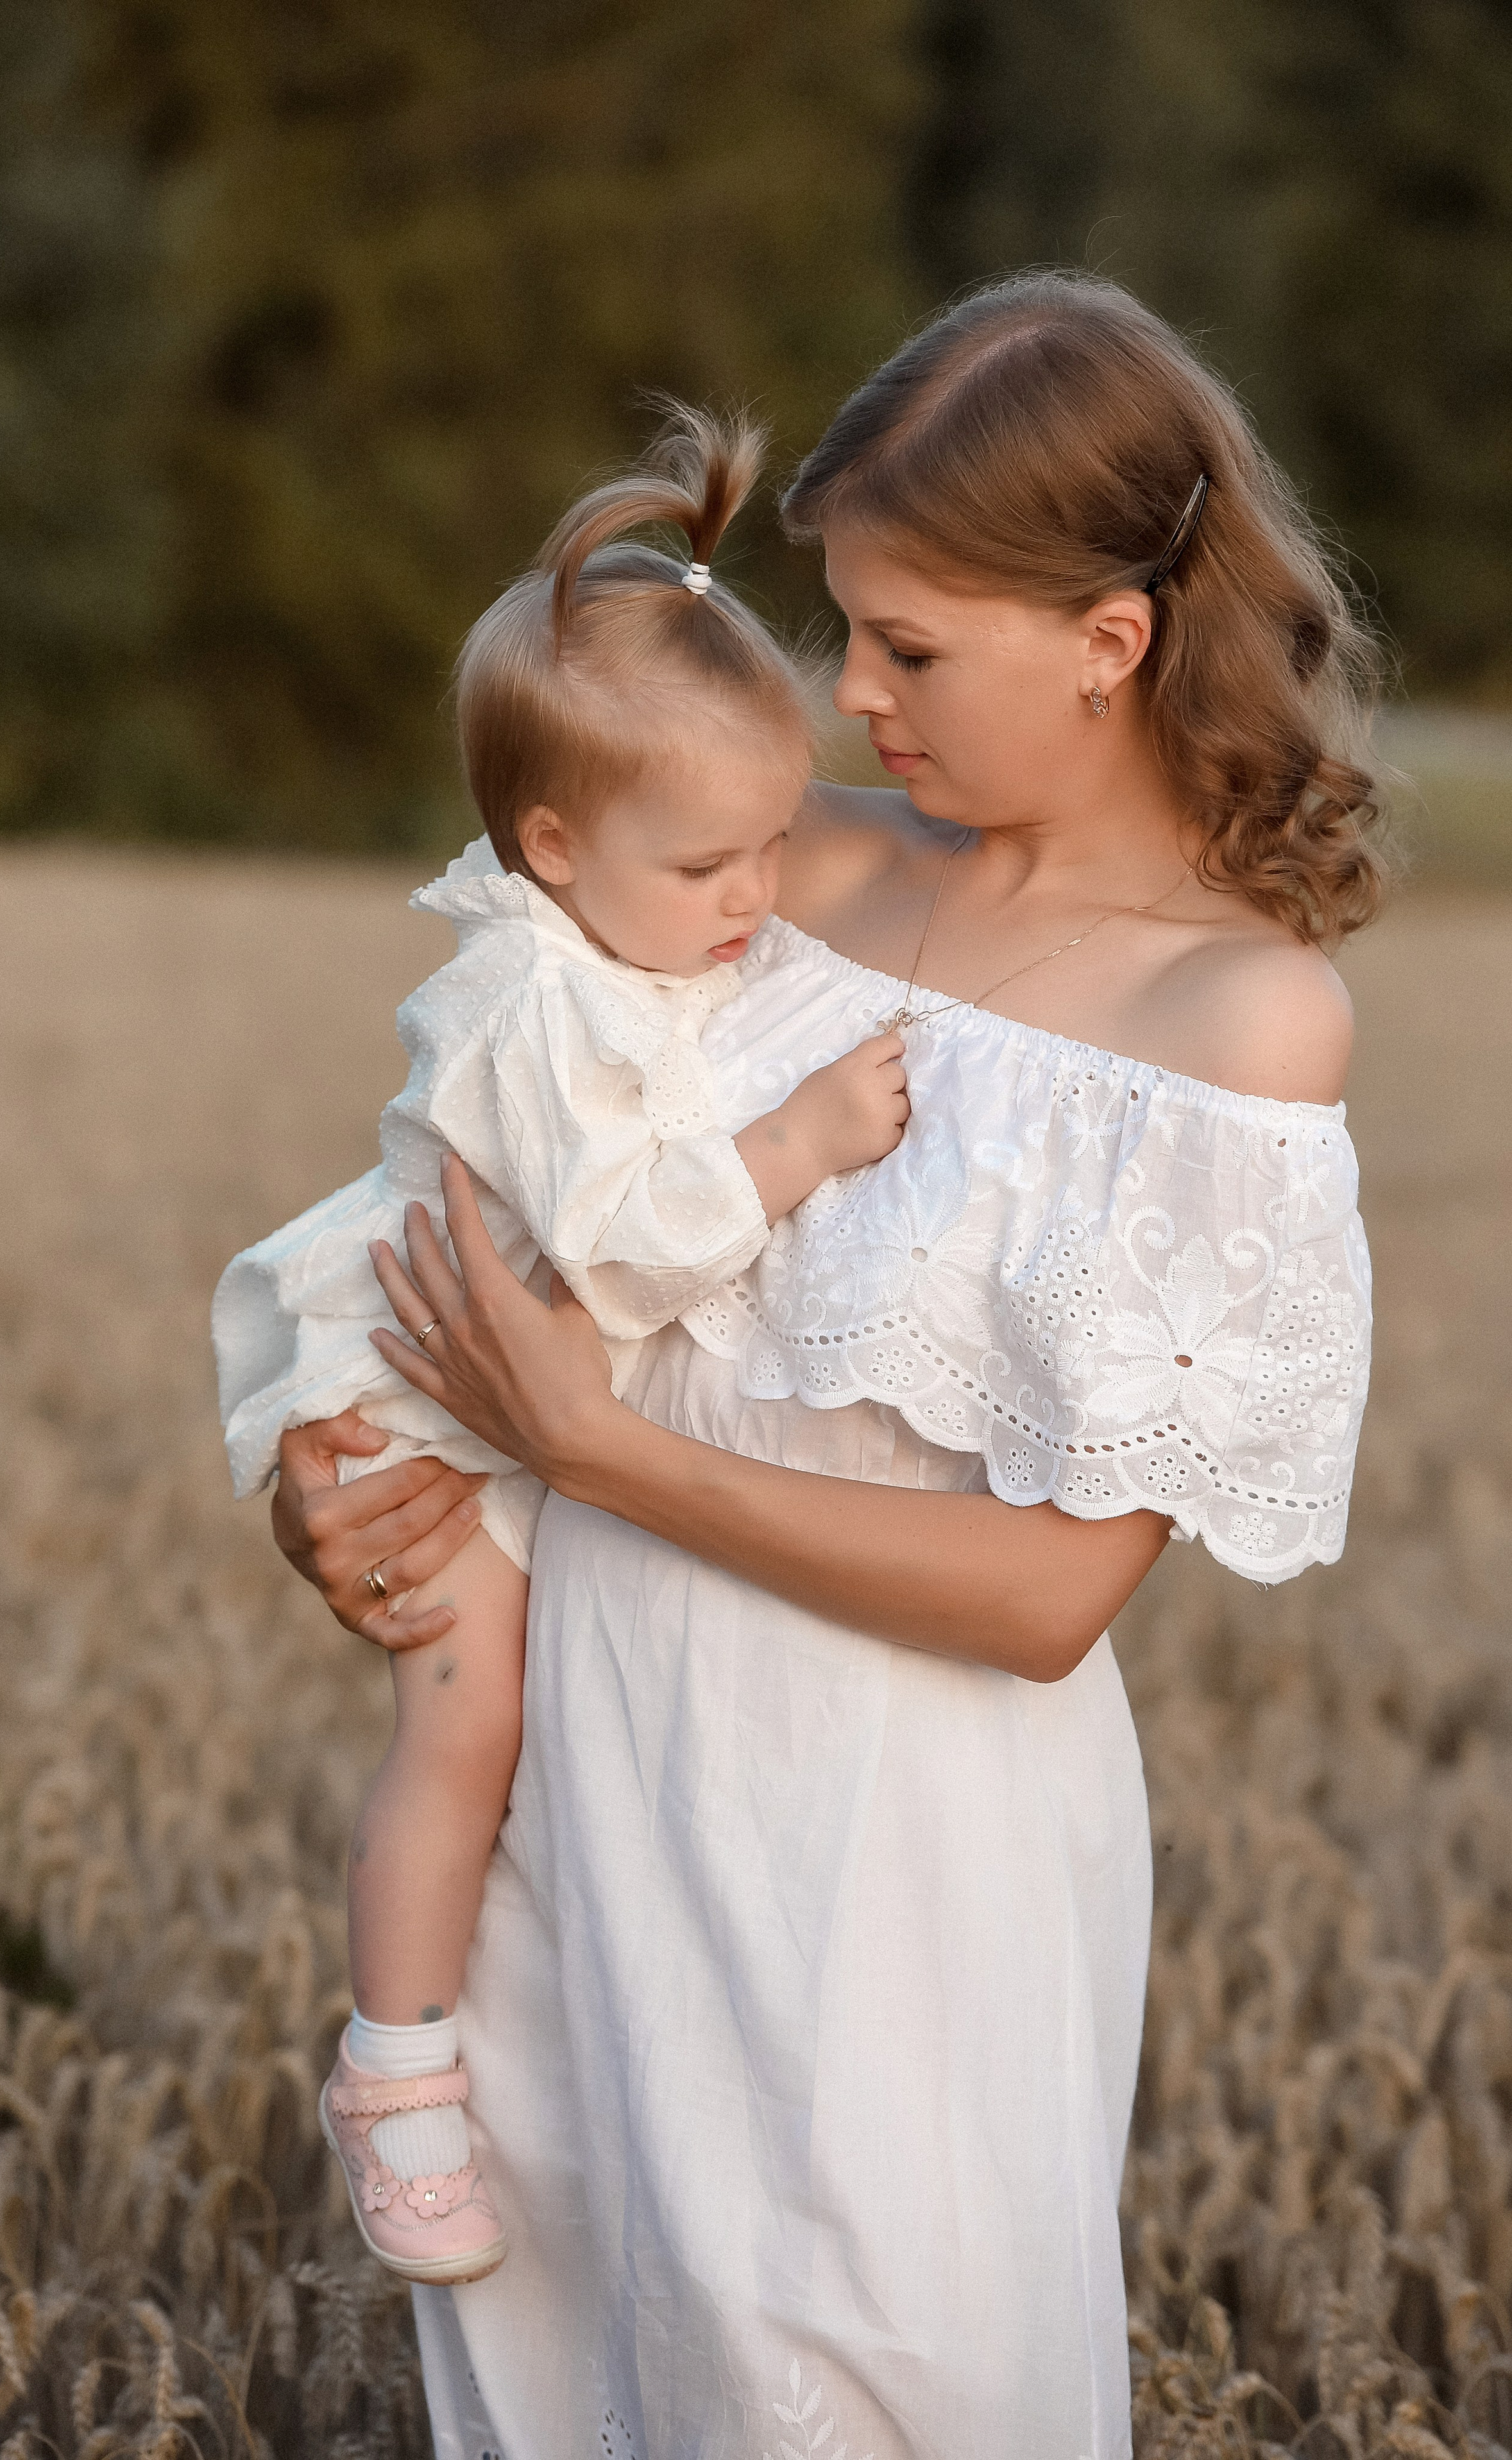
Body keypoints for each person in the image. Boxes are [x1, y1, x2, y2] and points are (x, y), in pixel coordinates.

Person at [271, 273, 1380, 2457]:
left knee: (874, 2386)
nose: (849, 689)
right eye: (845, 626)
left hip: (894, 1854)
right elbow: (461, 1207)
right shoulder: (785, 874)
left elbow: (1054, 1593)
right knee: (578, 2380)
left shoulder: (1237, 1025)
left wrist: (587, 1439)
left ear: (1111, 636)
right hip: (585, 1795)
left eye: (909, 644)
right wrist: (330, 1484)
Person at [212, 409, 910, 2286]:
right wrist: (806, 1141)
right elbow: (627, 1237)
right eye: (715, 866)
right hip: (431, 1375)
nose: (759, 897)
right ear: (551, 843)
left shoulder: (637, 926)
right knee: (468, 1719)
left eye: (776, 842)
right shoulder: (525, 995)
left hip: (521, 1381)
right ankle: (398, 2067)